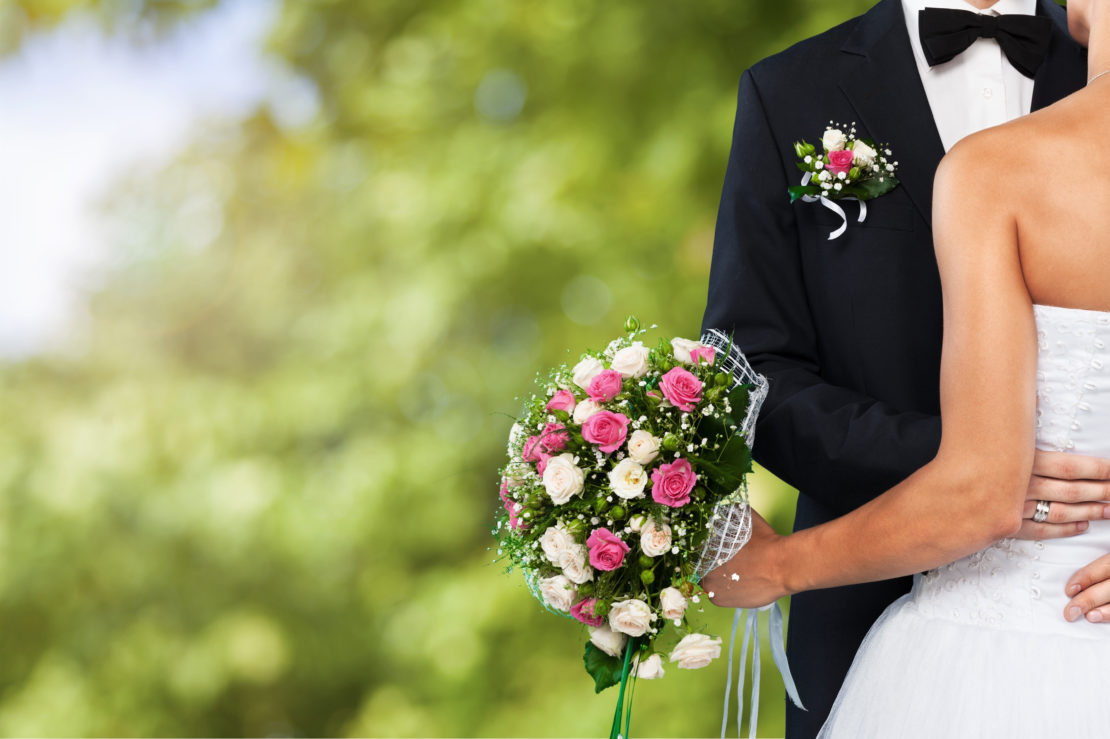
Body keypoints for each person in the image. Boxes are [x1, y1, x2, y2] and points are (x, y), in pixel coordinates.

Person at [698, 1, 1108, 736]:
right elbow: (748, 371)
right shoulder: (790, 90)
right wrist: (949, 457)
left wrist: (985, 478)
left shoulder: (1094, 48)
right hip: (866, 621)